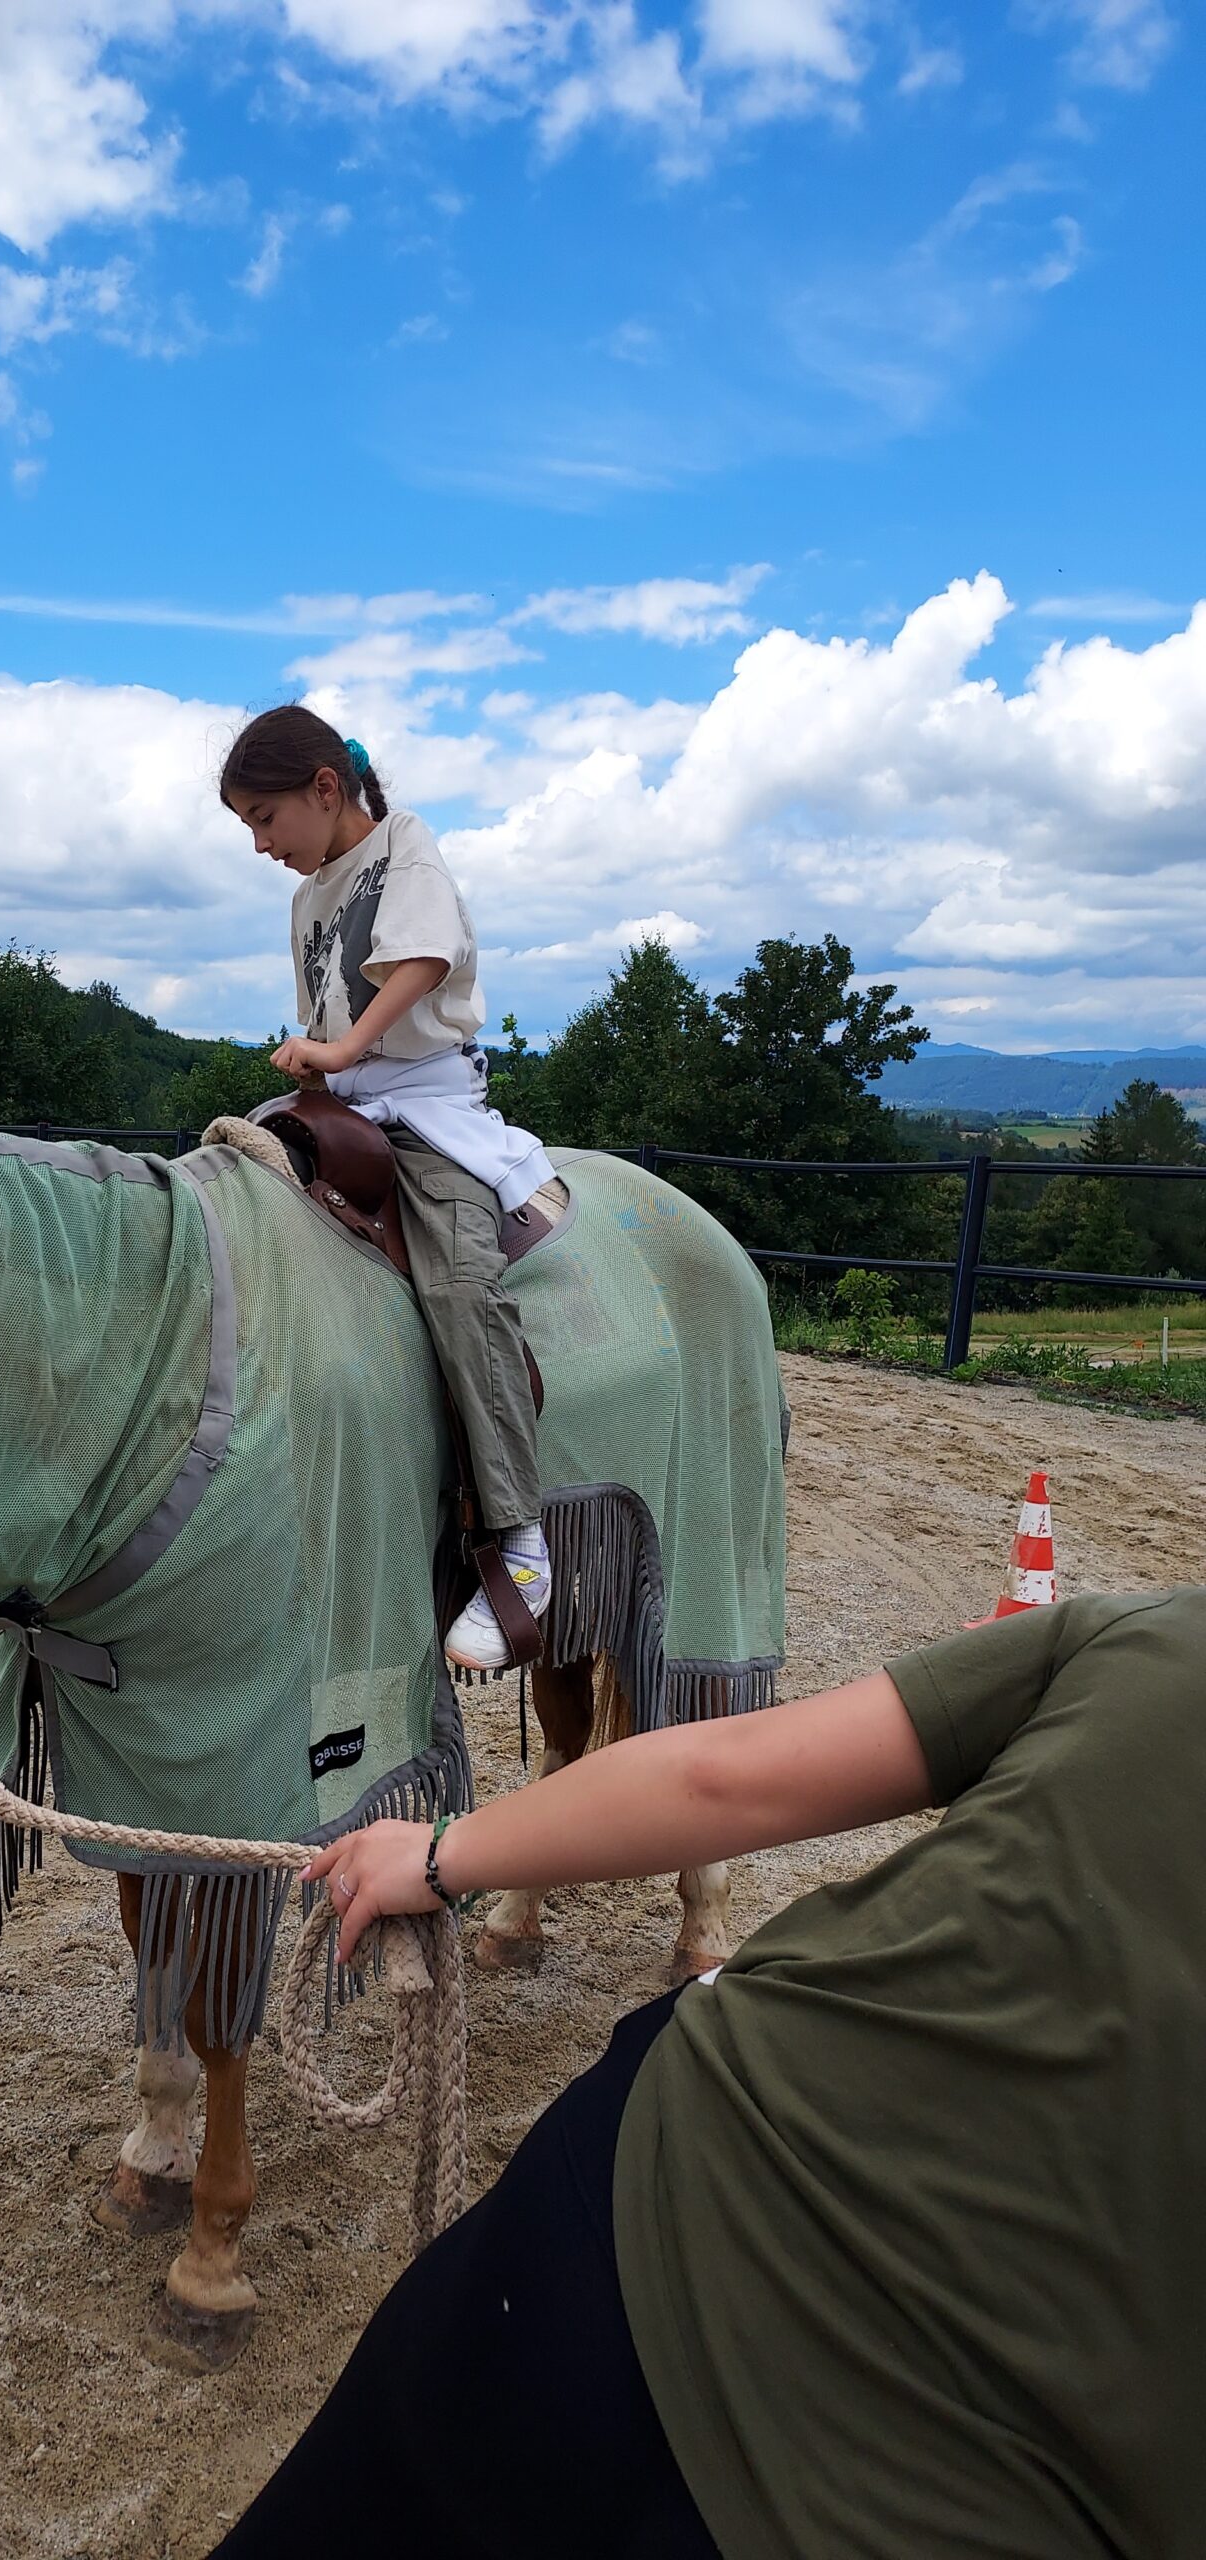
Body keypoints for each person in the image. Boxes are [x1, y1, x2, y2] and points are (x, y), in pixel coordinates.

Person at [211, 1587, 1206, 2559]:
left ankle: (521, 1547)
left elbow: (722, 1776)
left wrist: (443, 1853)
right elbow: (718, 1778)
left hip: (666, 2181)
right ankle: (512, 1549)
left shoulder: (1161, 1635)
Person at [220, 704, 554, 1673]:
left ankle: (522, 1542)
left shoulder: (406, 845)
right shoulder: (307, 895)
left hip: (426, 1107)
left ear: (326, 788)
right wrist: (321, 1067)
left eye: (266, 817)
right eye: (247, 824)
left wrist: (344, 1050)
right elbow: (324, 1013)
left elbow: (421, 961)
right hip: (345, 1105)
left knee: (459, 1287)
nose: (260, 843)